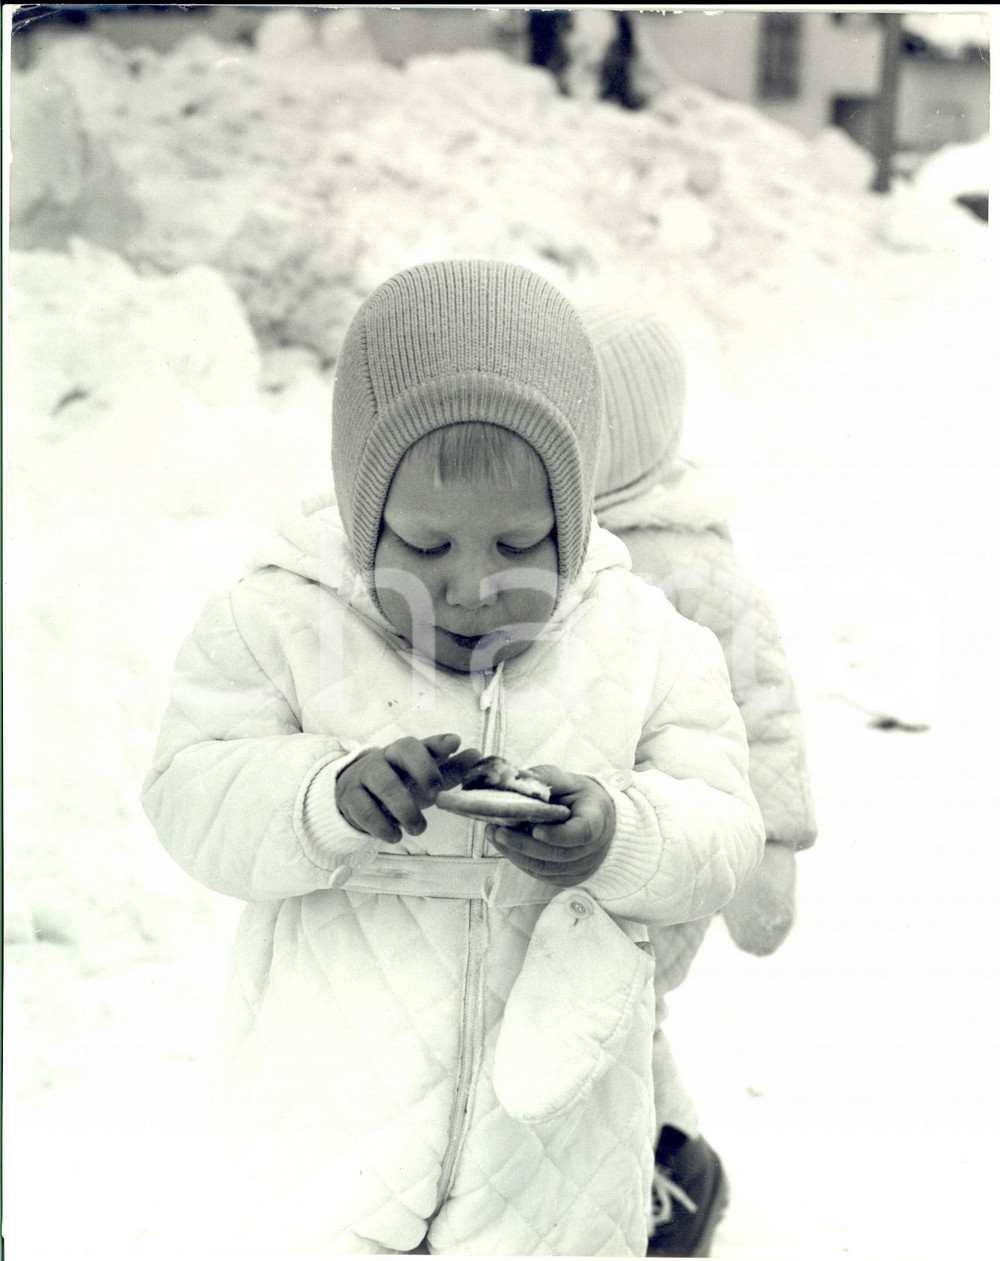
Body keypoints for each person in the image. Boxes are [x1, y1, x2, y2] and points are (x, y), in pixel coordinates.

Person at [141, 259, 765, 1257]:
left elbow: (726, 828)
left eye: (519, 543)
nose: (471, 585)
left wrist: (621, 833)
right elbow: (189, 792)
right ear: (362, 511)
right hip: (323, 1131)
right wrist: (325, 796)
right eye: (425, 546)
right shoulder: (278, 624)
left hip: (551, 1158)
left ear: (574, 516)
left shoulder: (644, 641)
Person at [583, 299, 819, 1257]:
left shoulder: (692, 566)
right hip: (581, 837)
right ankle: (664, 1153)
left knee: (608, 1017)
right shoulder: (547, 540)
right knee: (597, 1014)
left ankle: (665, 1172)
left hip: (672, 846)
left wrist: (771, 850)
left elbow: (764, 711)